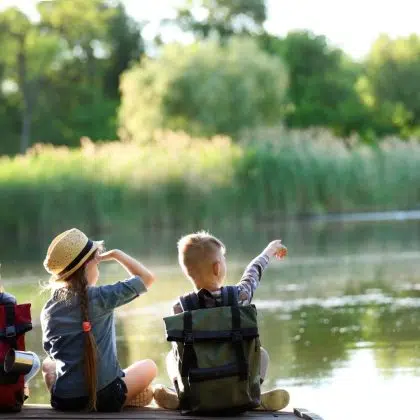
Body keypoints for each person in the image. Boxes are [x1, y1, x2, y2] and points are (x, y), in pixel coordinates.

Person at [153, 231, 290, 411]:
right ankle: (250, 395)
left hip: (198, 390)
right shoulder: (239, 297)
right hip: (236, 382)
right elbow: (252, 274)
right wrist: (269, 251)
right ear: (218, 267)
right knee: (261, 354)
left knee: (172, 357)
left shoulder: (180, 307)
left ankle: (183, 396)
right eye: (224, 259)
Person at [40, 228, 157, 412]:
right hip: (106, 397)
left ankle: (121, 396)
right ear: (88, 266)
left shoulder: (49, 308)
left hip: (64, 401)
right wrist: (118, 255)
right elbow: (147, 279)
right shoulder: (101, 297)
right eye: (97, 263)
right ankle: (131, 396)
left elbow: (51, 352)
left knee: (48, 365)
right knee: (150, 366)